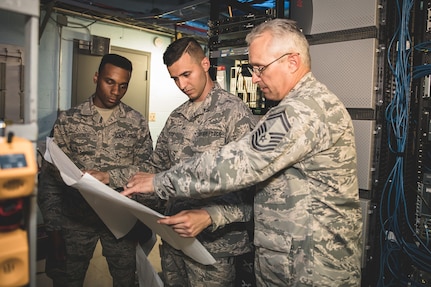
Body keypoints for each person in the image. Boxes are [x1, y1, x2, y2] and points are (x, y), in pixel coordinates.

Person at [123, 19, 363, 286]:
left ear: (292, 62)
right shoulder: (294, 107)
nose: (255, 77)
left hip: (310, 268)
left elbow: (236, 164)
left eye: (260, 68)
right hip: (294, 261)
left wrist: (160, 182)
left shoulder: (303, 110)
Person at [137, 37, 257, 287]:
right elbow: (157, 171)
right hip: (174, 241)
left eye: (186, 74)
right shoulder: (177, 117)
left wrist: (210, 215)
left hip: (215, 249)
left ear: (205, 64)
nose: (182, 84)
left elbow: (252, 194)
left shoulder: (234, 113)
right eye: (175, 78)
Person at [38, 53, 153, 287]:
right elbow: (51, 179)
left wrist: (142, 220)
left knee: (126, 281)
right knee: (67, 279)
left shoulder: (136, 122)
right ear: (96, 77)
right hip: (75, 219)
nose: (115, 91)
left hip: (119, 220)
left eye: (123, 86)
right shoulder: (68, 121)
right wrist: (54, 230)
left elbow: (147, 169)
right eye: (109, 82)